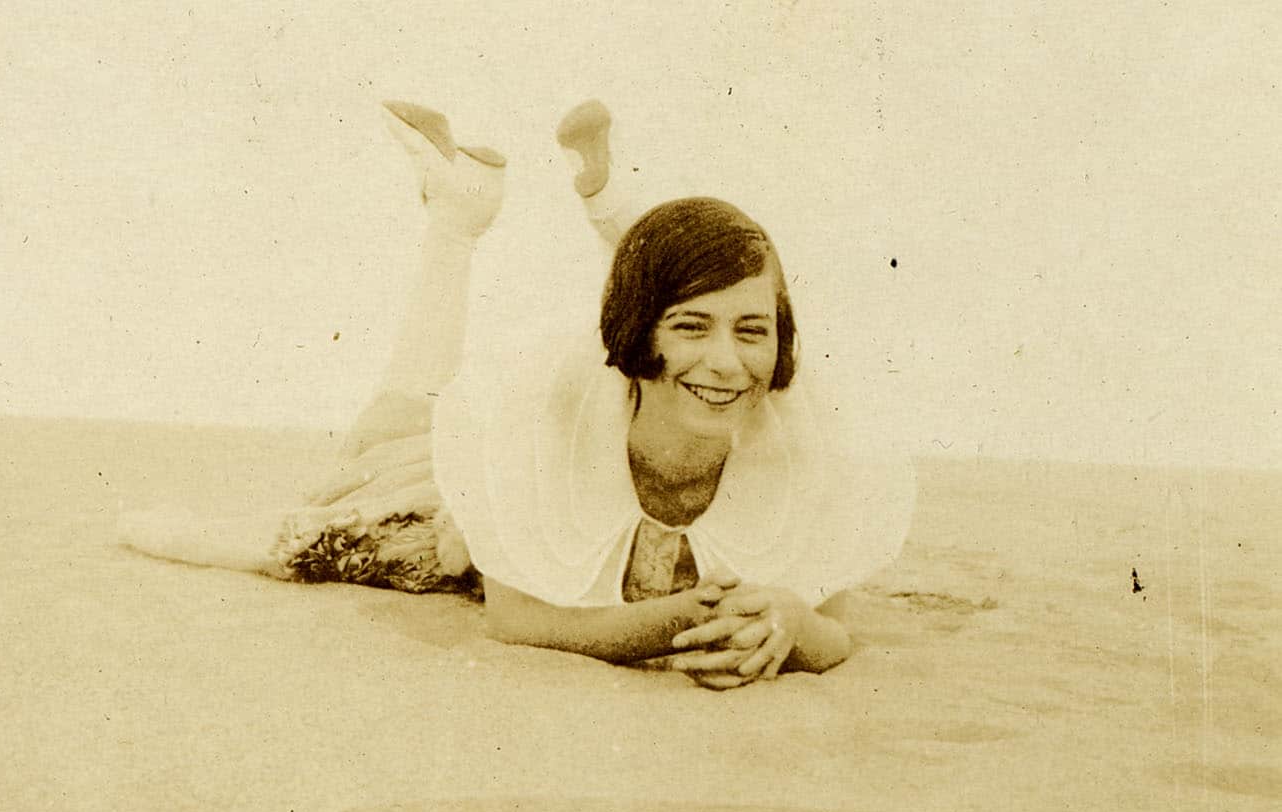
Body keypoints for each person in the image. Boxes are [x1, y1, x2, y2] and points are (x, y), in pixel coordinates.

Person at [123, 99, 916, 690]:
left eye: (753, 332)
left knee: (684, 312)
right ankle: (460, 216)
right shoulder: (548, 416)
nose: (729, 363)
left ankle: (552, 204)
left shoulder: (802, 429)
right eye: (690, 327)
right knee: (368, 454)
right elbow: (514, 617)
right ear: (641, 335)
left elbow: (831, 626)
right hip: (486, 503)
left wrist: (787, 623)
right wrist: (678, 623)